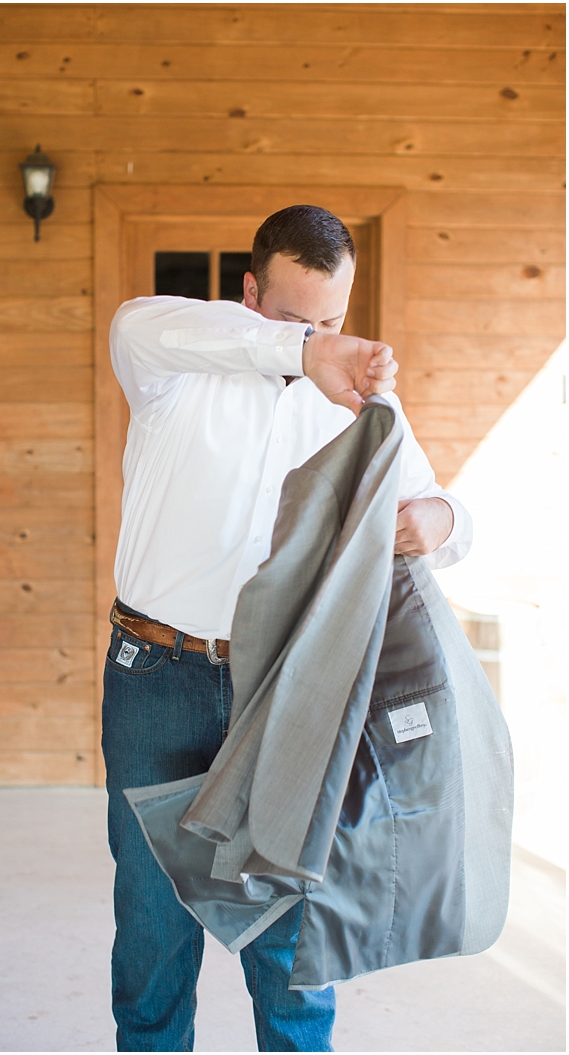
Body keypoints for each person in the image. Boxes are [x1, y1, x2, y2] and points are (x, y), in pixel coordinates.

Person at [103, 204, 470, 1052]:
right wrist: (306, 351)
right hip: (154, 674)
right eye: (295, 319)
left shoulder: (361, 403)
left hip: (287, 686)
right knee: (153, 927)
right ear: (248, 293)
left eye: (333, 322)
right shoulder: (171, 366)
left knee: (292, 932)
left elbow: (448, 512)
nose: (321, 339)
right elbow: (136, 321)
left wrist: (439, 521)